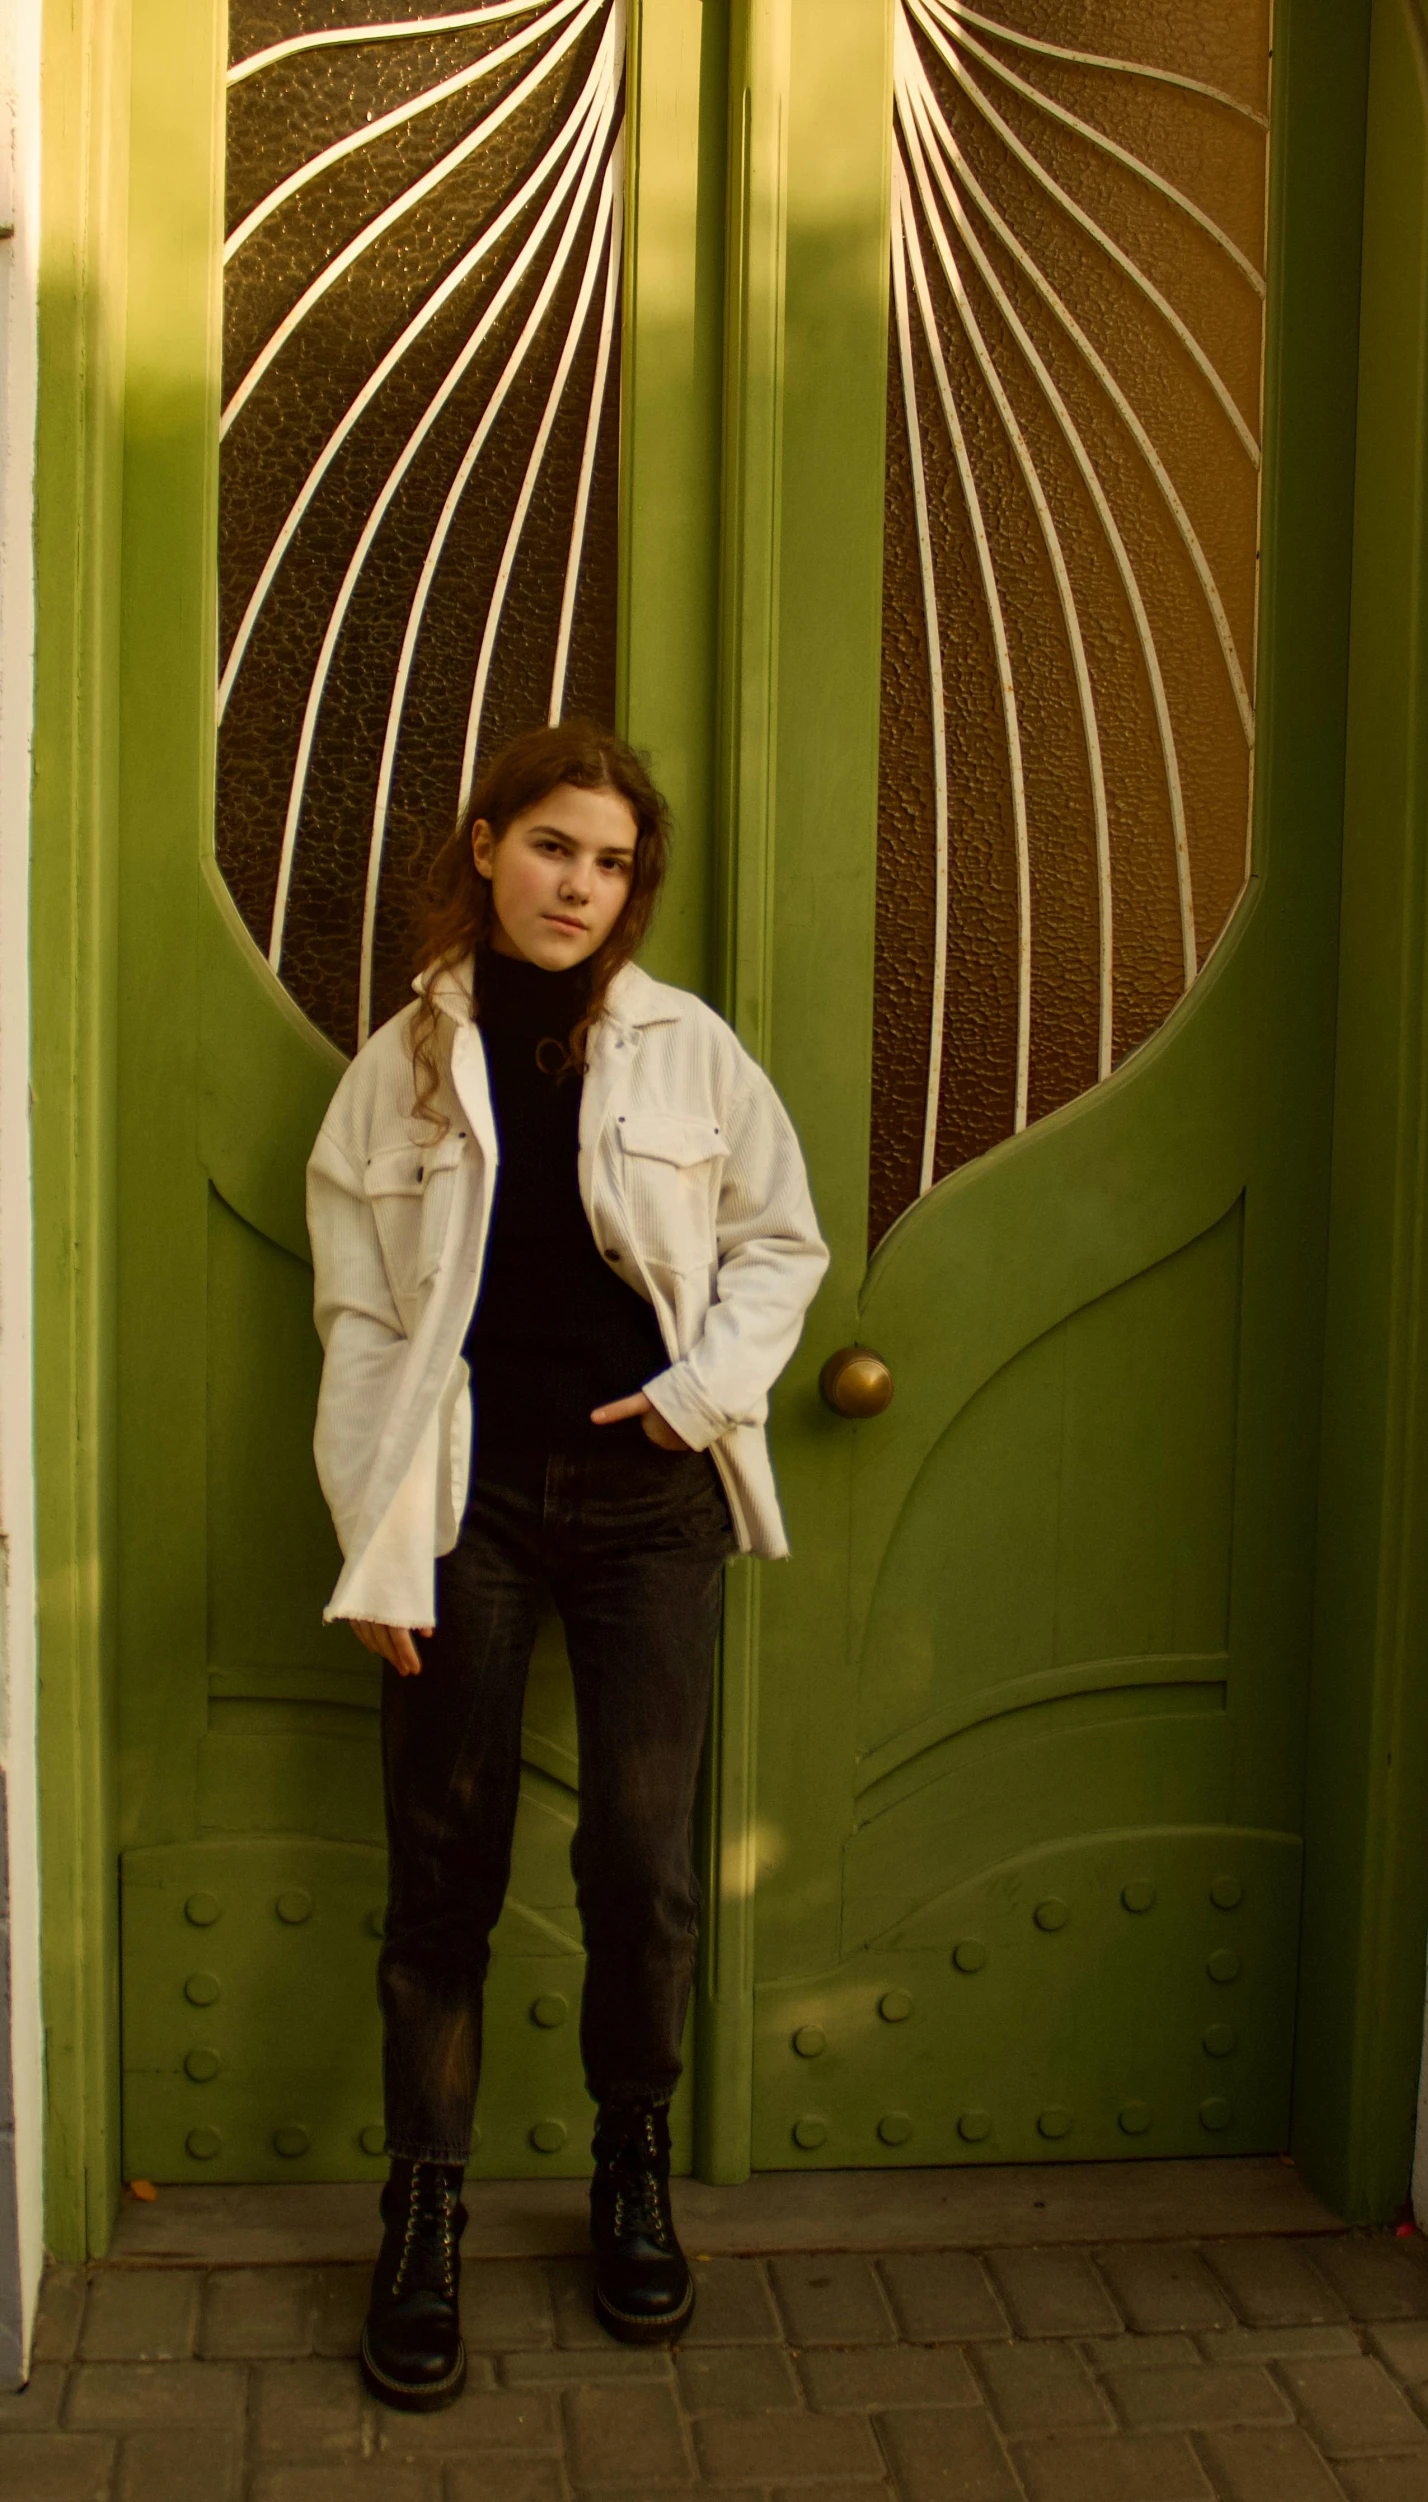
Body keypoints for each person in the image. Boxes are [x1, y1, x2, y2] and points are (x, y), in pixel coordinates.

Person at [306, 720, 828, 2412]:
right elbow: (363, 1322)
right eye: (551, 847)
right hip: (465, 1509)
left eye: (609, 862)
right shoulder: (396, 1065)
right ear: (482, 844)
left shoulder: (688, 1051)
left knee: (641, 1860)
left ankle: (632, 2168)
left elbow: (779, 1242)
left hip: (646, 1508)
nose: (578, 886)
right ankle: (425, 2214)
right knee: (440, 1867)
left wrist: (697, 1397)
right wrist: (377, 1541)